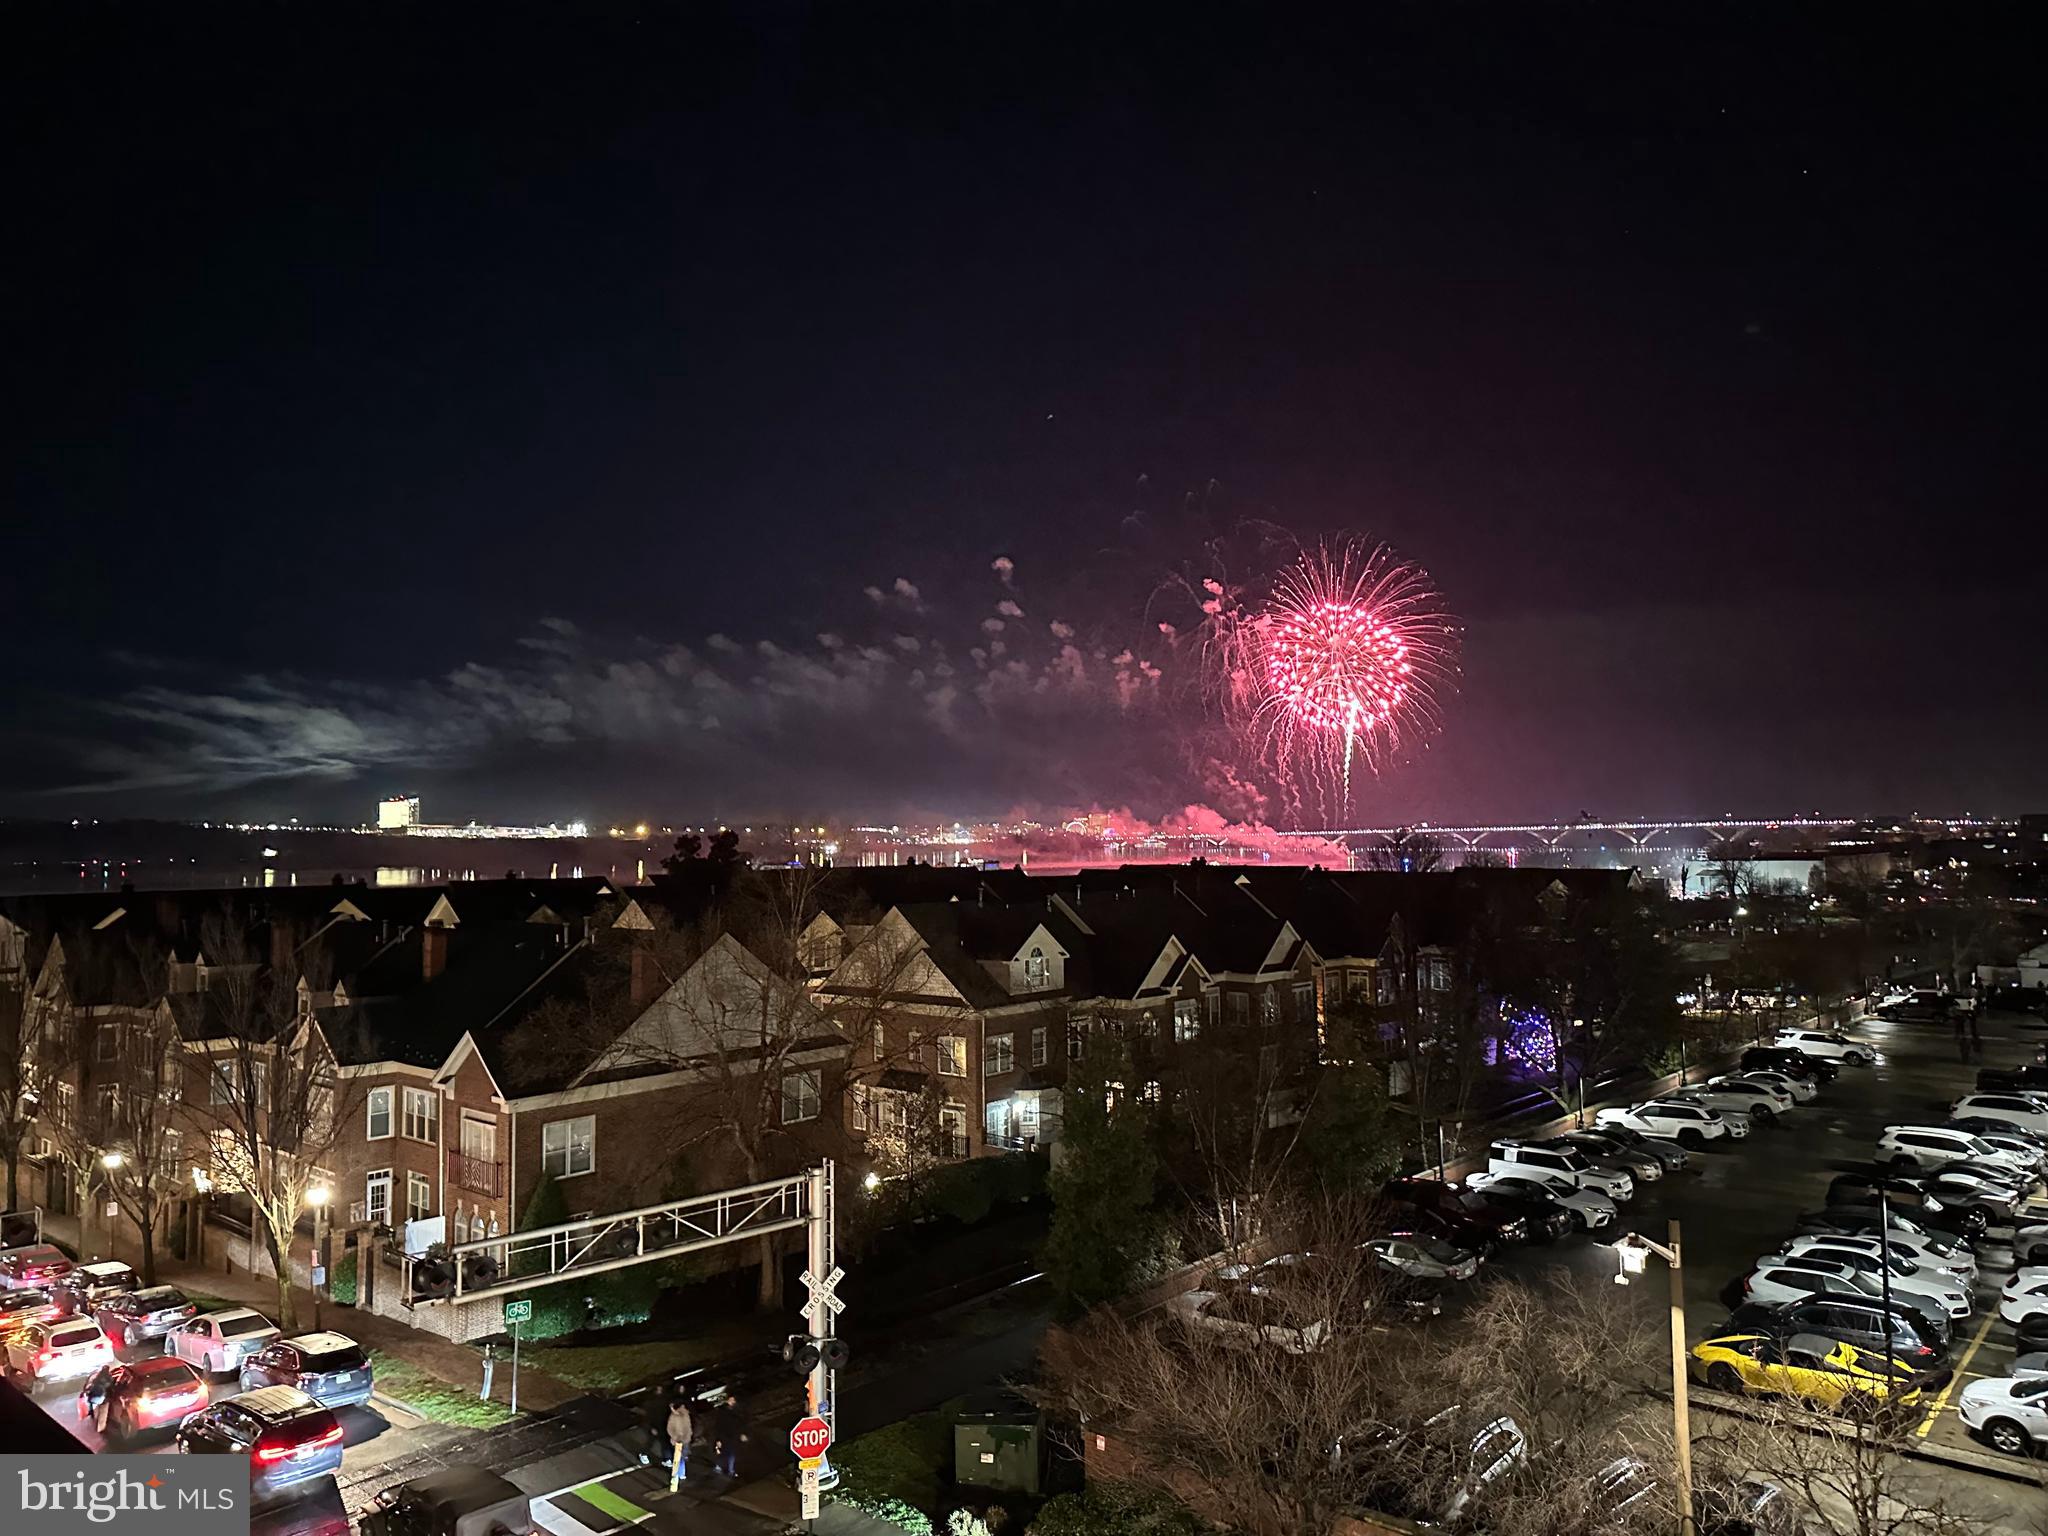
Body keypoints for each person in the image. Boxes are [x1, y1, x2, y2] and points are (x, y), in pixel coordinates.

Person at [708, 1392, 747, 1478]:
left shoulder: (737, 1411)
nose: (731, 1402)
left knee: (731, 1454)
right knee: (723, 1452)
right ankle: (721, 1467)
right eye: (730, 1400)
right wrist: (718, 1439)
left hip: (733, 1436)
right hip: (724, 1436)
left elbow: (740, 1423)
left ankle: (730, 1470)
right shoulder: (722, 1412)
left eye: (733, 1400)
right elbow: (718, 1426)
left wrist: (742, 1433)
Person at [665, 1396, 695, 1483]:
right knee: (679, 1457)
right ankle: (679, 1473)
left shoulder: (680, 1415)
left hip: (682, 1440)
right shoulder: (678, 1415)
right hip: (680, 1440)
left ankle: (678, 1473)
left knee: (679, 1457)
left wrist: (679, 1437)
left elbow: (686, 1428)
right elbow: (670, 1428)